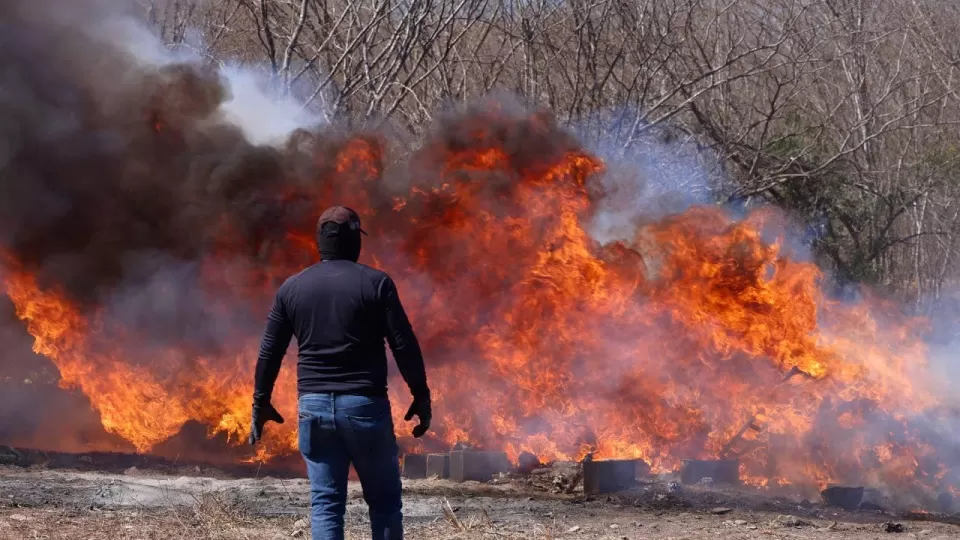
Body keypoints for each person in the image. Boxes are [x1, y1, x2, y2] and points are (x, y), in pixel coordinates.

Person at [248, 205, 431, 540]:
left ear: (320, 242)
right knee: (384, 503)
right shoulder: (376, 283)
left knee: (326, 504)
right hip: (364, 408)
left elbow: (269, 353)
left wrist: (260, 402)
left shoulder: (292, 288)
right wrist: (421, 394)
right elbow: (403, 344)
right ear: (354, 242)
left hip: (313, 409)